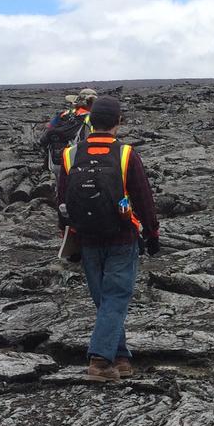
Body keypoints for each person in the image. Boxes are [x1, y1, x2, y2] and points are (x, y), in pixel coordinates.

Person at [57, 95, 160, 382]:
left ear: (90, 121)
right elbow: (144, 199)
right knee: (115, 297)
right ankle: (101, 361)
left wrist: (68, 239)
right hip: (122, 236)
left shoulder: (71, 154)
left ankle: (121, 357)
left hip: (86, 238)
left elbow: (62, 202)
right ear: (117, 122)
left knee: (105, 299)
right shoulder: (125, 154)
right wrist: (152, 234)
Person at [39, 88, 98, 171]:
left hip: (57, 161)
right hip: (78, 163)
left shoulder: (64, 114)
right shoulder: (93, 118)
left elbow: (48, 130)